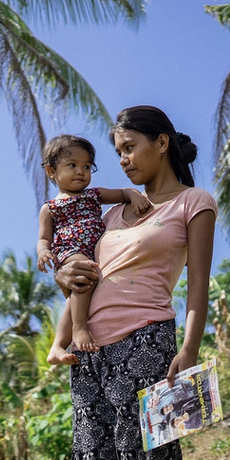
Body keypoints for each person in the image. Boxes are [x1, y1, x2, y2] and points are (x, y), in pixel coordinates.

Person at [48, 105, 217, 460]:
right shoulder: (107, 214)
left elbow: (198, 287)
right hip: (88, 352)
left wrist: (190, 350)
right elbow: (79, 273)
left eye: (129, 147)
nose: (122, 160)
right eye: (118, 152)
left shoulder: (193, 202)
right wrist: (62, 272)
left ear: (161, 143)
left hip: (148, 344)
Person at [37, 134, 152, 353]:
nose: (81, 171)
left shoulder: (94, 195)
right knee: (83, 276)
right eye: (72, 165)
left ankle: (58, 347)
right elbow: (44, 238)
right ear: (51, 171)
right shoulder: (50, 208)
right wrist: (43, 252)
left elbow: (122, 193)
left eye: (87, 166)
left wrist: (133, 195)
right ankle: (80, 329)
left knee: (75, 298)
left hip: (96, 252)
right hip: (71, 251)